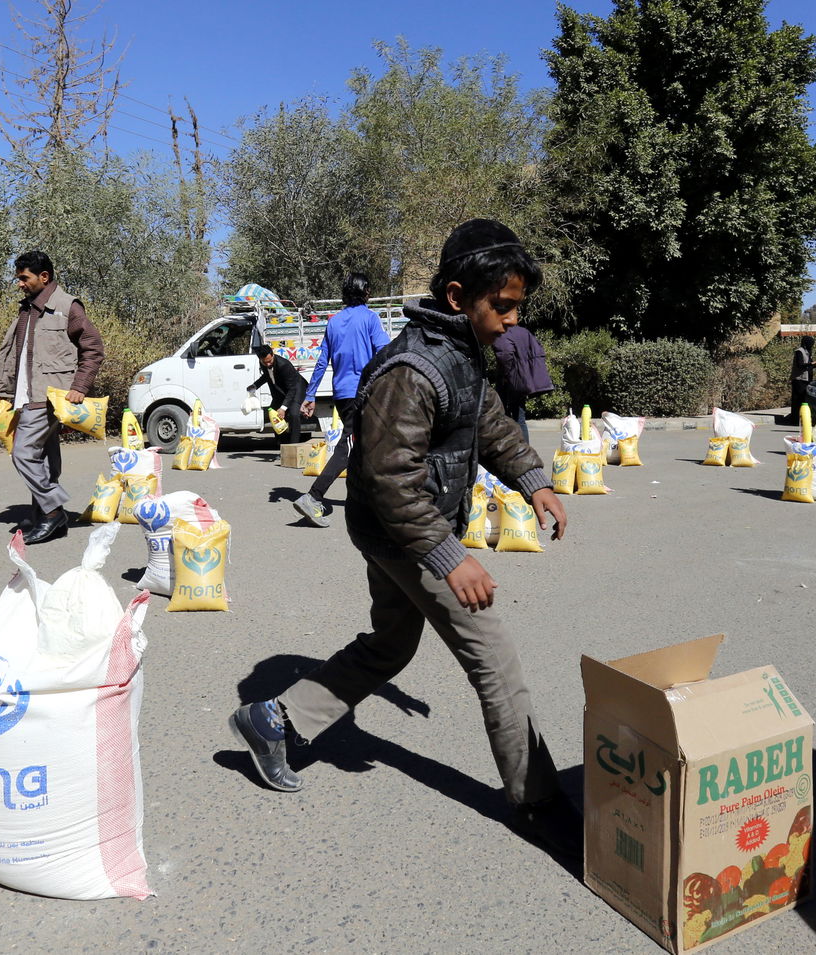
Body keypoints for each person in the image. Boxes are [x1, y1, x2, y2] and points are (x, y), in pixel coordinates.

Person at [227, 219, 580, 857]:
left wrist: (535, 481)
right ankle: (538, 802)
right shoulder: (411, 371)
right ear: (455, 296)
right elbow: (392, 481)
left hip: (404, 532)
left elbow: (490, 423)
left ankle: (273, 720)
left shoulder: (467, 352)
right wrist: (451, 559)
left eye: (517, 307)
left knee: (390, 645)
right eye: (501, 306)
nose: (510, 320)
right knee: (495, 663)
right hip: (402, 537)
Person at [0, 250, 104, 545]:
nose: (19, 284)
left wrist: (80, 386)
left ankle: (53, 513)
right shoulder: (26, 309)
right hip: (27, 397)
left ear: (44, 277)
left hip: (51, 397)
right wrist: (4, 392)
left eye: (24, 278)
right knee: (45, 459)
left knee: (23, 453)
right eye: (18, 278)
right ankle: (47, 518)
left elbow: (93, 349)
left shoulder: (67, 307)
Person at [291, 272, 390, 527]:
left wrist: (310, 395)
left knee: (363, 447)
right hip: (365, 392)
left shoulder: (334, 322)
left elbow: (322, 361)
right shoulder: (369, 318)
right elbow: (384, 353)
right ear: (365, 292)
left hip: (342, 394)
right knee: (350, 447)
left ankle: (364, 502)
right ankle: (313, 496)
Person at [492, 310, 554, 442]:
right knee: (520, 417)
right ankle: (524, 450)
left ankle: (510, 448)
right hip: (523, 380)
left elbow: (505, 355)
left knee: (502, 415)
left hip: (509, 381)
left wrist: (505, 374)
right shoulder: (523, 332)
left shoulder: (502, 333)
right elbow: (538, 350)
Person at [247, 344, 309, 446]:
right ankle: (281, 444)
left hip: (296, 389)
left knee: (294, 414)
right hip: (281, 391)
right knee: (273, 413)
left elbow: (292, 389)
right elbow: (267, 376)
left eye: (269, 361)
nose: (267, 364)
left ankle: (293, 445)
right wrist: (255, 386)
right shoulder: (263, 362)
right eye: (265, 362)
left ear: (273, 355)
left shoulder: (284, 365)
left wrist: (283, 408)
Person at [785, 335, 816, 426]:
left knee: (805, 401)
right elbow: (800, 365)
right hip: (799, 380)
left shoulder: (808, 352)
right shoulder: (799, 352)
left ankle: (804, 419)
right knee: (797, 401)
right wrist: (812, 363)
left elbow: (808, 365)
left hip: (807, 380)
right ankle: (794, 421)